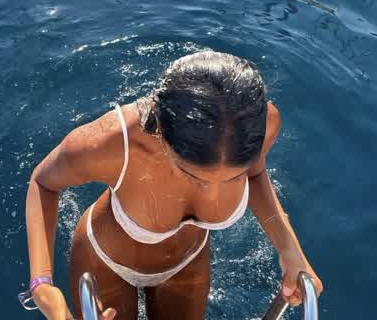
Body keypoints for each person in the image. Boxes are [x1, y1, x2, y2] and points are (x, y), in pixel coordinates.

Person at [23, 49, 323, 319]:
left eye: (234, 177)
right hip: (106, 264)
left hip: (187, 264)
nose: (212, 194)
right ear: (161, 137)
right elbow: (43, 182)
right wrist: (42, 284)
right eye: (193, 176)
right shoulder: (112, 142)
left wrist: (289, 250)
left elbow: (255, 174)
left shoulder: (259, 125)